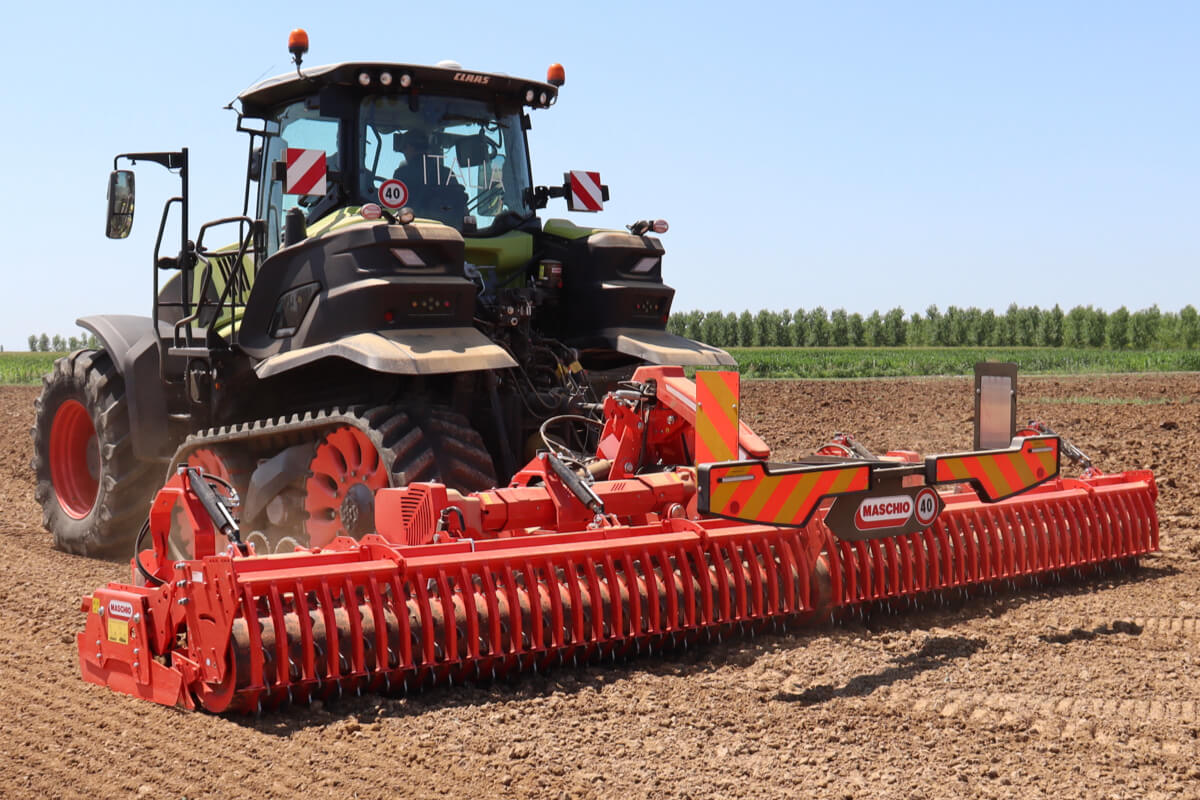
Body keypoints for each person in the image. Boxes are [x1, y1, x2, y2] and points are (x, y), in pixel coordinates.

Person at [392, 131, 468, 224]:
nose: (404, 153)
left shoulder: (401, 174)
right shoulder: (446, 172)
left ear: (409, 147)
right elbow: (461, 207)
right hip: (450, 230)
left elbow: (395, 205)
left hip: (411, 230)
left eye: (404, 149)